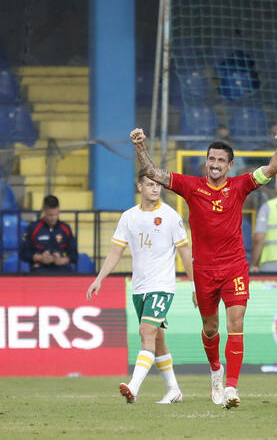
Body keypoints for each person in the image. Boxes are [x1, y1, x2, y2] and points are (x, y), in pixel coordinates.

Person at [131, 126, 277, 410]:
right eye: (211, 159)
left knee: (236, 323)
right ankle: (216, 370)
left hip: (234, 267)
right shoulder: (191, 186)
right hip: (204, 271)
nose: (215, 164)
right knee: (210, 327)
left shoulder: (241, 185)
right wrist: (140, 146)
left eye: (221, 160)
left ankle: (231, 386)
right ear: (206, 162)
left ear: (230, 165)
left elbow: (273, 168)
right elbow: (154, 173)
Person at [87, 171, 195, 404]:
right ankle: (174, 390)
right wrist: (99, 278)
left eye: (158, 185)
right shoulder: (129, 217)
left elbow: (185, 253)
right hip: (139, 288)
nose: (155, 189)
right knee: (157, 340)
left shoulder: (171, 216)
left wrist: (195, 285)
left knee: (146, 332)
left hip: (162, 286)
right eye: (150, 185)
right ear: (140, 187)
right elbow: (117, 251)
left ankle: (133, 387)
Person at [19, 195, 77, 273]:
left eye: (56, 214)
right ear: (44, 211)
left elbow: (74, 255)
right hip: (40, 270)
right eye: (50, 215)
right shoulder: (33, 228)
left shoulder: (66, 228)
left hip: (63, 270)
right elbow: (23, 253)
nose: (53, 218)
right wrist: (40, 258)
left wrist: (62, 260)